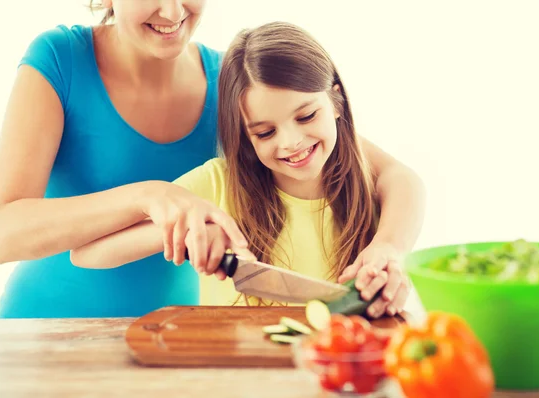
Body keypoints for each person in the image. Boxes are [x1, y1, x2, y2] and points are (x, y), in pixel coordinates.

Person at [70, 21, 426, 318]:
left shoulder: (366, 178)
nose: (290, 142)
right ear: (244, 135)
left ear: (336, 102)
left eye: (306, 116)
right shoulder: (217, 185)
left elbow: (406, 179)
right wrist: (188, 231)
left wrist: (389, 249)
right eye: (265, 132)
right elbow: (86, 252)